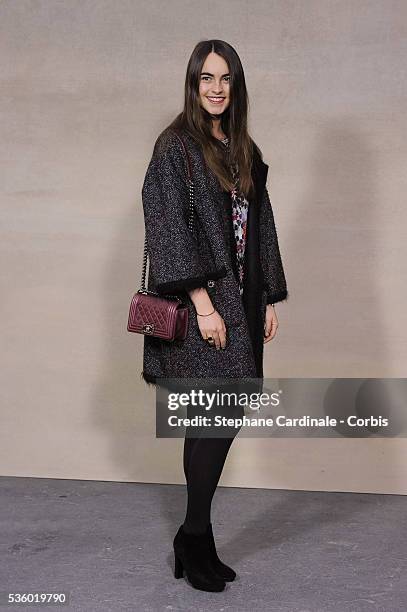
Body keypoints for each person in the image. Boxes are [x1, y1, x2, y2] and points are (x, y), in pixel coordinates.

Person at [141, 39, 289, 592]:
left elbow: (263, 224)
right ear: (192, 83)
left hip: (243, 300)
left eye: (225, 78)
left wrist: (269, 296)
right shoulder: (175, 145)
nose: (216, 88)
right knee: (215, 417)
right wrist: (202, 303)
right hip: (205, 302)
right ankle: (194, 536)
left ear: (237, 84)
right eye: (206, 78)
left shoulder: (240, 146)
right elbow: (166, 225)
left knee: (215, 419)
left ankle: (195, 538)